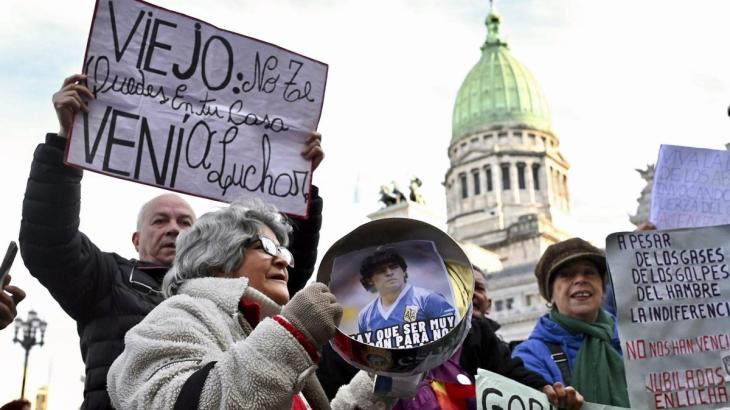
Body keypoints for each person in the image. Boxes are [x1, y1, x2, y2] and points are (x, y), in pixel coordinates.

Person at [19, 74, 324, 409]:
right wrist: (64, 142)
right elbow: (49, 244)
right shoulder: (109, 278)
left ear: (215, 250)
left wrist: (299, 183)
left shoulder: (233, 293)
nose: (174, 229)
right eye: (160, 220)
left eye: (185, 222)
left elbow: (279, 273)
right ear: (136, 239)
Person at [107, 200, 384, 409]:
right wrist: (293, 333)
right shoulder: (176, 316)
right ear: (217, 259)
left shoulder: (260, 333)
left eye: (283, 251)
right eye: (266, 247)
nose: (283, 260)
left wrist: (378, 383)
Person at [512, 237, 630, 407]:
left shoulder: (635, 339)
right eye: (566, 275)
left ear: (603, 288)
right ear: (550, 293)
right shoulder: (529, 356)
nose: (580, 279)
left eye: (589, 272)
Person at [356, 247, 455, 343]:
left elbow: (452, 335)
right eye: (381, 270)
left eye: (394, 267)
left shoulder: (427, 298)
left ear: (403, 271)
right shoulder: (365, 315)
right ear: (370, 280)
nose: (389, 273)